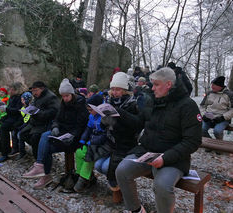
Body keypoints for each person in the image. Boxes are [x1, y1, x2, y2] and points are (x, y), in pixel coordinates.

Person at [115, 67, 202, 213]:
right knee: (122, 171)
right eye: (152, 84)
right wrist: (118, 113)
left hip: (173, 158)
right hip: (147, 151)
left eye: (156, 84)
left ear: (168, 84)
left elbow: (193, 141)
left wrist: (165, 158)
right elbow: (138, 123)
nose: (152, 88)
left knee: (161, 185)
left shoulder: (188, 106)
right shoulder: (153, 101)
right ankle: (136, 210)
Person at [22, 78, 89, 189]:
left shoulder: (80, 104)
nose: (65, 99)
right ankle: (43, 171)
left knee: (45, 141)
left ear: (72, 94)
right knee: (45, 138)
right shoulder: (63, 103)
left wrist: (73, 135)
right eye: (63, 96)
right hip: (63, 134)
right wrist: (55, 127)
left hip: (75, 138)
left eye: (67, 96)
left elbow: (81, 125)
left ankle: (43, 172)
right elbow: (57, 119)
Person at [94, 72, 142, 202]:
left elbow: (136, 125)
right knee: (98, 165)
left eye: (118, 89)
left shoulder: (133, 104)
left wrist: (119, 115)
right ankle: (117, 184)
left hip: (126, 144)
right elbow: (104, 126)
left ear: (125, 90)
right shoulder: (108, 101)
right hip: (111, 143)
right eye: (113, 89)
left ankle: (118, 188)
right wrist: (104, 122)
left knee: (105, 167)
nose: (115, 92)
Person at [19, 81, 60, 159]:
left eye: (35, 90)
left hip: (45, 123)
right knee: (22, 133)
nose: (33, 93)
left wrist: (38, 113)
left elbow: (54, 112)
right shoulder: (37, 97)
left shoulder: (51, 97)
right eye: (32, 91)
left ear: (42, 89)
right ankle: (39, 153)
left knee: (35, 138)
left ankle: (39, 160)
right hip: (34, 122)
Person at [73, 94, 105, 192]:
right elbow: (88, 128)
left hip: (102, 144)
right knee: (79, 152)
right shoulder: (92, 116)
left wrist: (92, 141)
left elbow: (106, 135)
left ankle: (83, 180)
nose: (89, 113)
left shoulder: (104, 117)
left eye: (91, 110)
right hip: (92, 141)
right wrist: (83, 139)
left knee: (89, 156)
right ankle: (82, 175)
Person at [0, 82, 25, 162]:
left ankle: (5, 153)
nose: (10, 91)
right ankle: (1, 148)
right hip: (11, 118)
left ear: (16, 90)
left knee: (3, 128)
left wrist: (6, 109)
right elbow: (10, 110)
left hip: (18, 119)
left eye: (12, 89)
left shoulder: (20, 98)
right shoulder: (12, 97)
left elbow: (18, 111)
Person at [200, 76, 233, 143]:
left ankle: (220, 145)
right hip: (208, 116)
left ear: (220, 86)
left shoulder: (229, 95)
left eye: (214, 85)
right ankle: (209, 144)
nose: (212, 86)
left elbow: (232, 110)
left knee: (217, 131)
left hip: (222, 118)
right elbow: (202, 106)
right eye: (212, 84)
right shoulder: (209, 93)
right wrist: (204, 115)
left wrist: (223, 117)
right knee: (201, 129)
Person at [15, 91, 33, 160]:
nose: (21, 101)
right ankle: (22, 151)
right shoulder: (23, 108)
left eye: (23, 100)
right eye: (21, 100)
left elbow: (29, 120)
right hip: (24, 125)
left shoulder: (31, 108)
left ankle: (23, 152)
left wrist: (21, 127)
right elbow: (22, 119)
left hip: (30, 126)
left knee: (21, 134)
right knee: (17, 133)